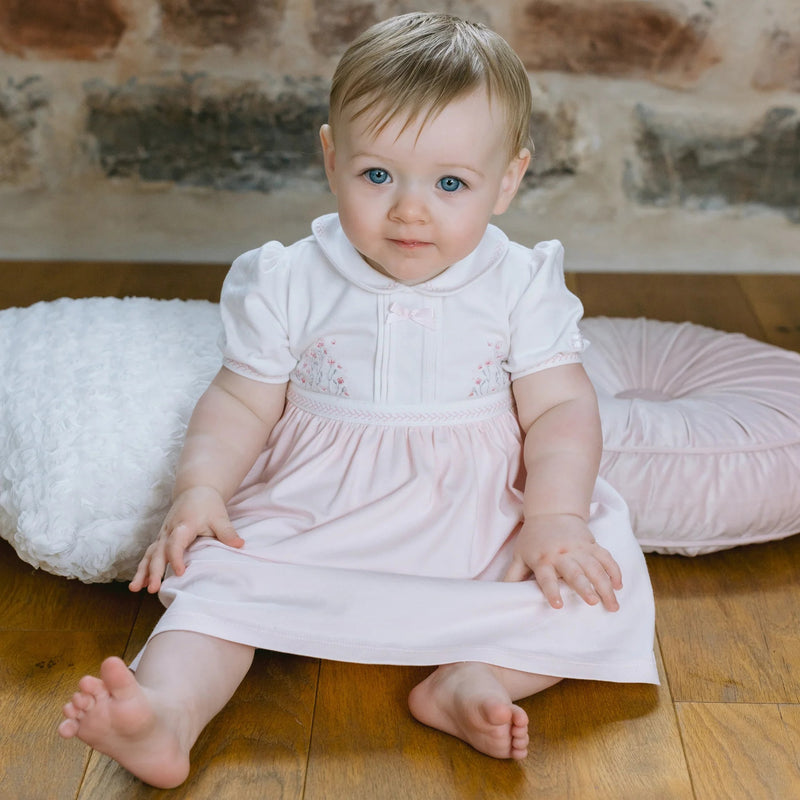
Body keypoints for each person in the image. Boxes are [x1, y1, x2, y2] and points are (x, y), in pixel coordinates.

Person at [58, 12, 658, 788]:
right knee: (217, 580)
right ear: (332, 158)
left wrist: (555, 517)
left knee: (593, 582)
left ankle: (475, 678)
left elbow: (559, 410)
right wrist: (199, 490)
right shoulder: (288, 279)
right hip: (317, 510)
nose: (410, 209)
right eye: (378, 176)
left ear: (508, 180)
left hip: (476, 516)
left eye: (450, 184)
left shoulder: (519, 283)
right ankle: (170, 713)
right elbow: (241, 401)